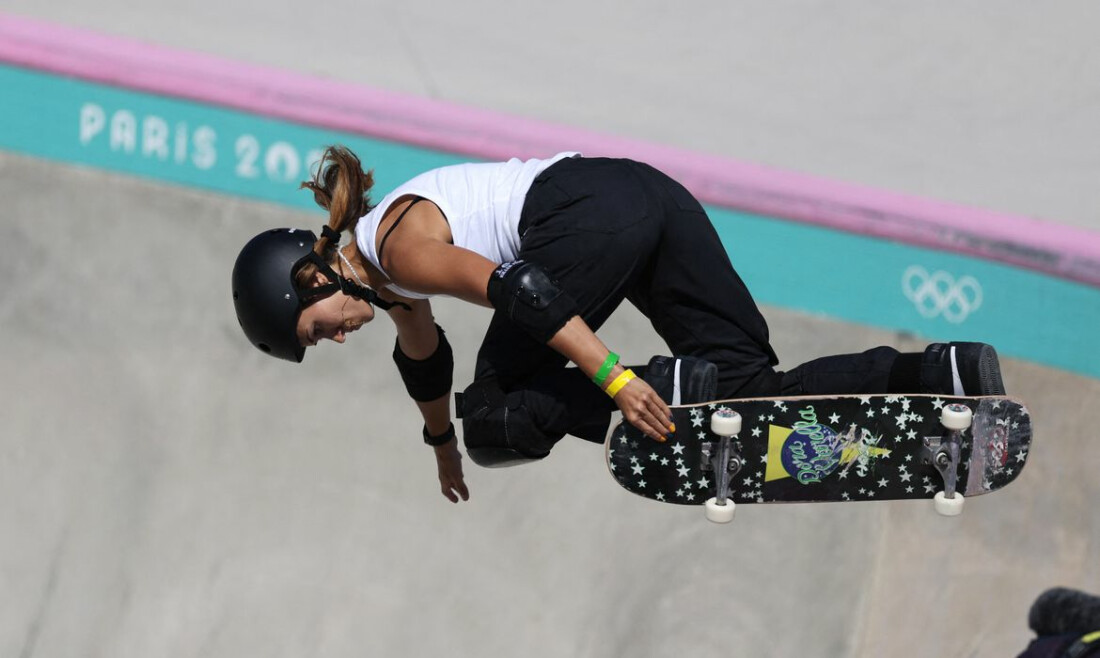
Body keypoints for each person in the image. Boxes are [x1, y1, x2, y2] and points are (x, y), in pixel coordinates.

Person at [232, 146, 1006, 503]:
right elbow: (426, 362)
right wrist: (441, 452)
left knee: (498, 413)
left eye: (317, 328)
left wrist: (617, 378)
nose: (337, 337)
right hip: (649, 199)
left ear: (313, 277)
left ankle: (665, 391)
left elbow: (518, 287)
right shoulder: (393, 282)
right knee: (748, 395)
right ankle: (942, 378)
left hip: (585, 217)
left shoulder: (398, 241)